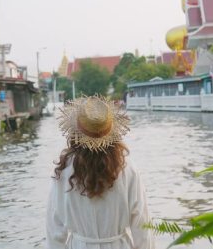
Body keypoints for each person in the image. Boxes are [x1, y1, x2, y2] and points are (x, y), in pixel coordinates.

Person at [46, 96, 154, 249]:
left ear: (76, 133)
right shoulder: (127, 168)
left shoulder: (64, 171)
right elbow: (142, 225)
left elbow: (54, 228)